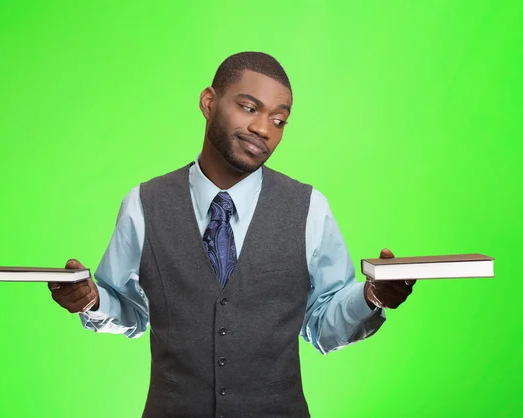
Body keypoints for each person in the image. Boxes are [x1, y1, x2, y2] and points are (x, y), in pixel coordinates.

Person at [48, 51, 415, 418]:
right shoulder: (144, 203)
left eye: (279, 119)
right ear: (209, 103)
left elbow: (322, 325)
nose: (263, 129)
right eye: (249, 108)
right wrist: (91, 302)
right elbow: (130, 312)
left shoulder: (309, 208)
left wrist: (372, 296)